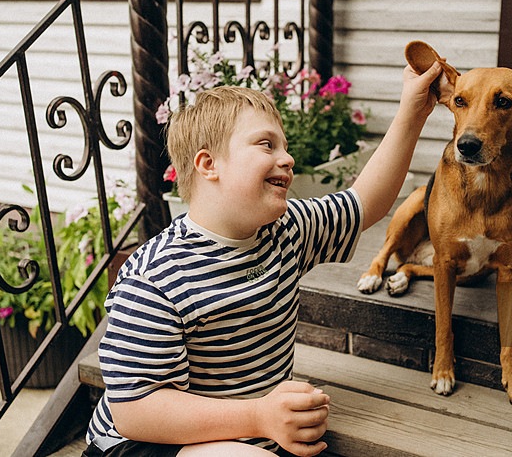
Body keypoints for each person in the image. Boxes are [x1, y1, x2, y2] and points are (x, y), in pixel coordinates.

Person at [83, 61, 443, 457]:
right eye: (267, 144)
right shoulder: (156, 277)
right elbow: (136, 411)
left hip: (241, 432)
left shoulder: (287, 230)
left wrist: (413, 108)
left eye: (285, 146)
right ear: (209, 165)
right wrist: (258, 416)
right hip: (144, 442)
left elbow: (366, 202)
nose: (287, 158)